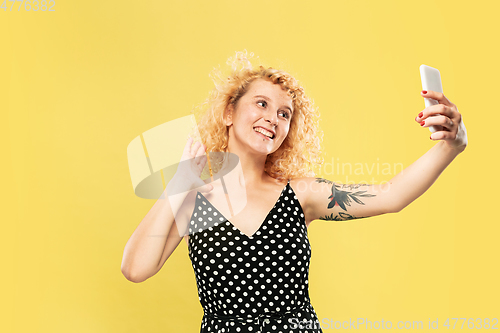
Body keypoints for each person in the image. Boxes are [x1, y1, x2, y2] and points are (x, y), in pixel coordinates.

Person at [121, 51, 468, 333]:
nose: (273, 118)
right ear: (229, 112)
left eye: (284, 113)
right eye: (261, 104)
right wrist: (182, 179)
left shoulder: (302, 194)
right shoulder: (194, 201)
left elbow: (391, 196)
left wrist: (451, 146)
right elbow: (135, 269)